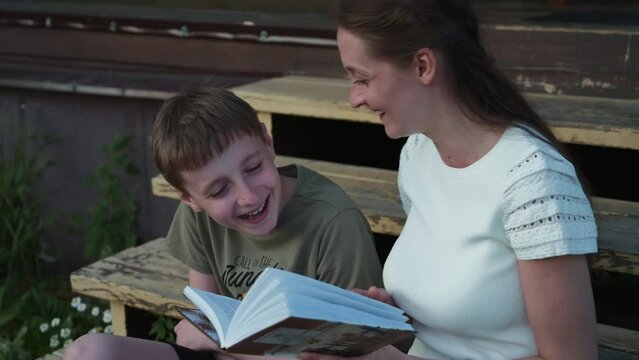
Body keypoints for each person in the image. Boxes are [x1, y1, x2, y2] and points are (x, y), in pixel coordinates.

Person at [301, 0, 598, 359]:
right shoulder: (417, 153)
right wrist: (383, 313)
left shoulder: (534, 182)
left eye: (363, 78)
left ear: (423, 66)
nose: (354, 99)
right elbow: (455, 293)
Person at [63, 86, 383, 360]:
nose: (247, 195)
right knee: (89, 352)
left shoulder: (333, 222)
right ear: (190, 199)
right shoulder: (197, 216)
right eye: (219, 190)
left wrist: (216, 340)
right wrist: (213, 338)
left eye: (253, 167)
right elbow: (207, 318)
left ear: (267, 143)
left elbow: (349, 354)